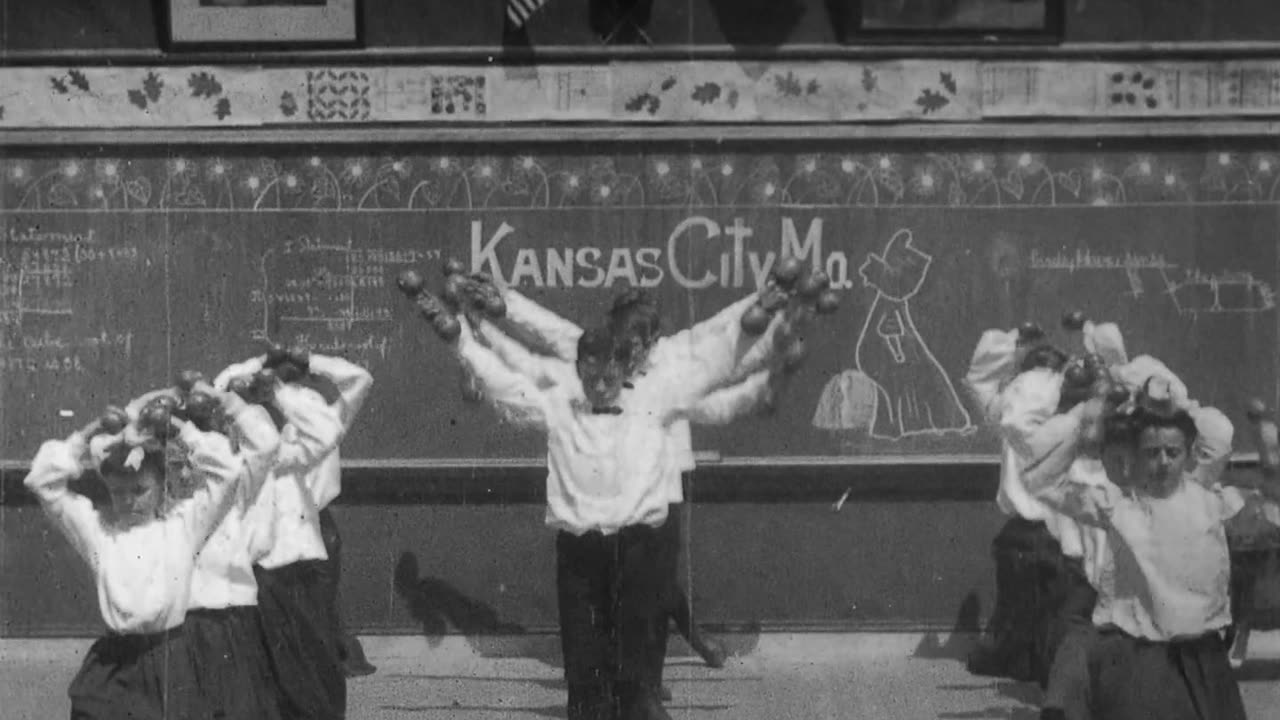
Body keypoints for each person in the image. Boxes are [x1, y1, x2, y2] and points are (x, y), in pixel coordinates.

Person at [405, 269, 805, 720]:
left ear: (631, 361)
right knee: (584, 664)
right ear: (579, 370)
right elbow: (504, 375)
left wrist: (767, 323)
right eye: (590, 372)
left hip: (636, 542)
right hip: (580, 550)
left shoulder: (659, 393)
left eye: (611, 370)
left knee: (638, 653)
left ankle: (643, 702)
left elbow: (719, 353)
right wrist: (460, 337)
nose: (600, 381)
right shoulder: (556, 403)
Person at [25, 385, 269, 719]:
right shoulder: (98, 533)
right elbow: (41, 481)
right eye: (118, 492)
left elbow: (228, 472)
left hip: (170, 659)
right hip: (114, 661)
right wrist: (89, 432)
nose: (129, 501)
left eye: (140, 490)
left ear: (161, 486)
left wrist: (182, 430)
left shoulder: (183, 527)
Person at [1022, 384, 1248, 720]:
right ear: (1135, 456)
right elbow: (1042, 482)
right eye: (1151, 452)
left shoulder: (1206, 496)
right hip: (1143, 660)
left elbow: (1220, 433)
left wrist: (1168, 402)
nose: (1163, 462)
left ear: (1188, 454)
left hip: (1204, 659)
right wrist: (1085, 418)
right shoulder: (1116, 506)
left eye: (1173, 452)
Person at [214, 354, 353, 720]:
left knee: (314, 676)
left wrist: (273, 389)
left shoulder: (287, 456)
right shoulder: (224, 466)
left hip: (296, 569)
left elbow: (327, 432)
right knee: (263, 685)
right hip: (247, 579)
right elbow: (221, 389)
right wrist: (235, 386)